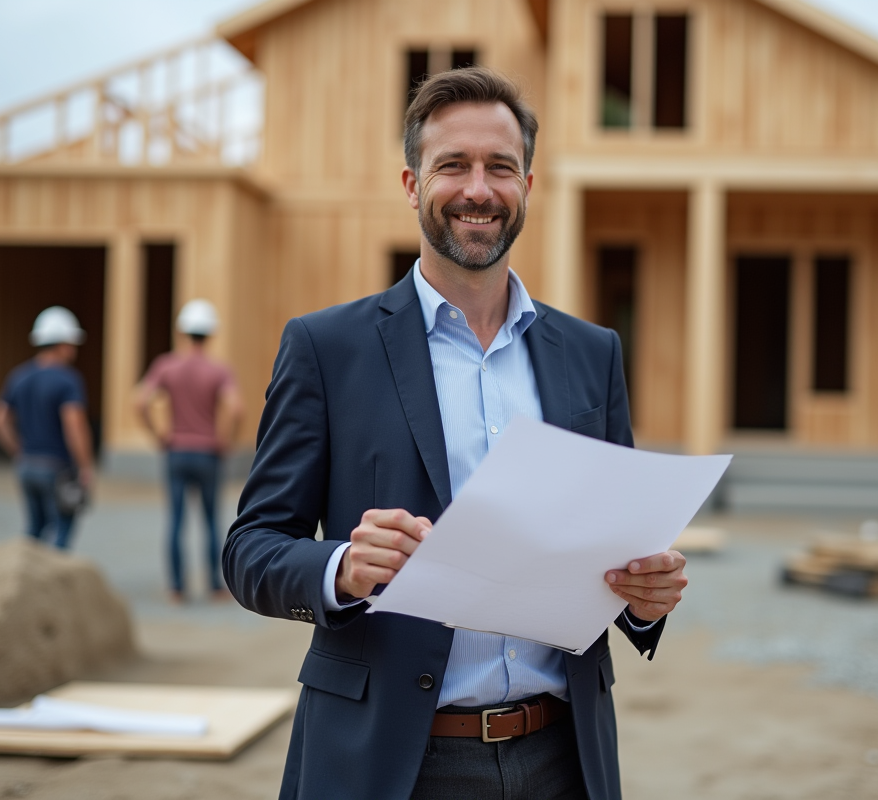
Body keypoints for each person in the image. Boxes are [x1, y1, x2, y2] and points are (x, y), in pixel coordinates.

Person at [224, 67, 689, 799]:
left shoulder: (592, 354)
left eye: (500, 167)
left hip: (563, 758)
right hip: (393, 763)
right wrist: (341, 566)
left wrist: (642, 596)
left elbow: (616, 545)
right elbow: (250, 550)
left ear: (528, 185)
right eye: (454, 166)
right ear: (412, 184)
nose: (479, 189)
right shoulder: (326, 348)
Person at [135, 299, 243, 603]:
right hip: (208, 452)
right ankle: (213, 585)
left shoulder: (166, 365)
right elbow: (236, 409)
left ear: (182, 331)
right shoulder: (219, 370)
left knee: (176, 520)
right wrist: (226, 440)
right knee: (211, 521)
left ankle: (177, 588)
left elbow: (140, 402)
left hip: (177, 451)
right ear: (210, 334)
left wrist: (157, 434)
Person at [0, 306, 94, 550]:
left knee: (35, 528)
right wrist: (85, 466)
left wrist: (18, 449)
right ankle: (52, 582)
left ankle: (25, 578)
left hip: (27, 465)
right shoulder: (68, 380)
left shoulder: (19, 376)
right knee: (62, 528)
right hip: (57, 468)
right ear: (63, 344)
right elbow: (74, 425)